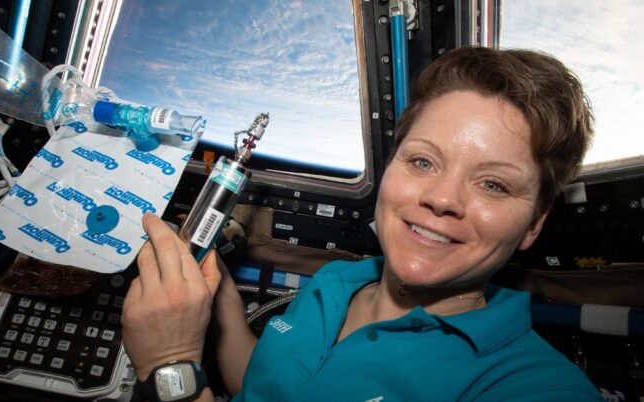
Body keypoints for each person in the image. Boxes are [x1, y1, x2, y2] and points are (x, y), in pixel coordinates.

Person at [121, 46, 603, 401]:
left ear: (533, 226)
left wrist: (170, 364)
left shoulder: (535, 389)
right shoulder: (336, 282)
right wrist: (221, 296)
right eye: (422, 162)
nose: (440, 198)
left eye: (493, 185)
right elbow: (263, 385)